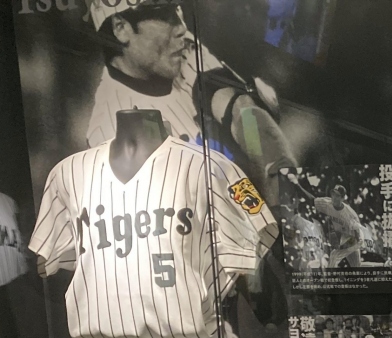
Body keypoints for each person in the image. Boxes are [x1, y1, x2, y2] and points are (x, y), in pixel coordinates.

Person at [84, 0, 295, 200]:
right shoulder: (109, 131)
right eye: (164, 15)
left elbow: (242, 111)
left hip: (245, 205)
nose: (182, 28)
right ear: (121, 28)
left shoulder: (179, 52)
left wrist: (279, 175)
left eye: (177, 9)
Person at [315, 185, 363, 268]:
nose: (334, 197)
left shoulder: (349, 214)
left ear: (343, 198)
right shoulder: (328, 204)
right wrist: (297, 185)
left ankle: (382, 266)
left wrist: (340, 241)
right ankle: (383, 265)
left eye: (337, 196)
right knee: (356, 266)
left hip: (354, 240)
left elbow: (357, 235)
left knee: (335, 256)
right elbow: (312, 200)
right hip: (344, 238)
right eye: (333, 194)